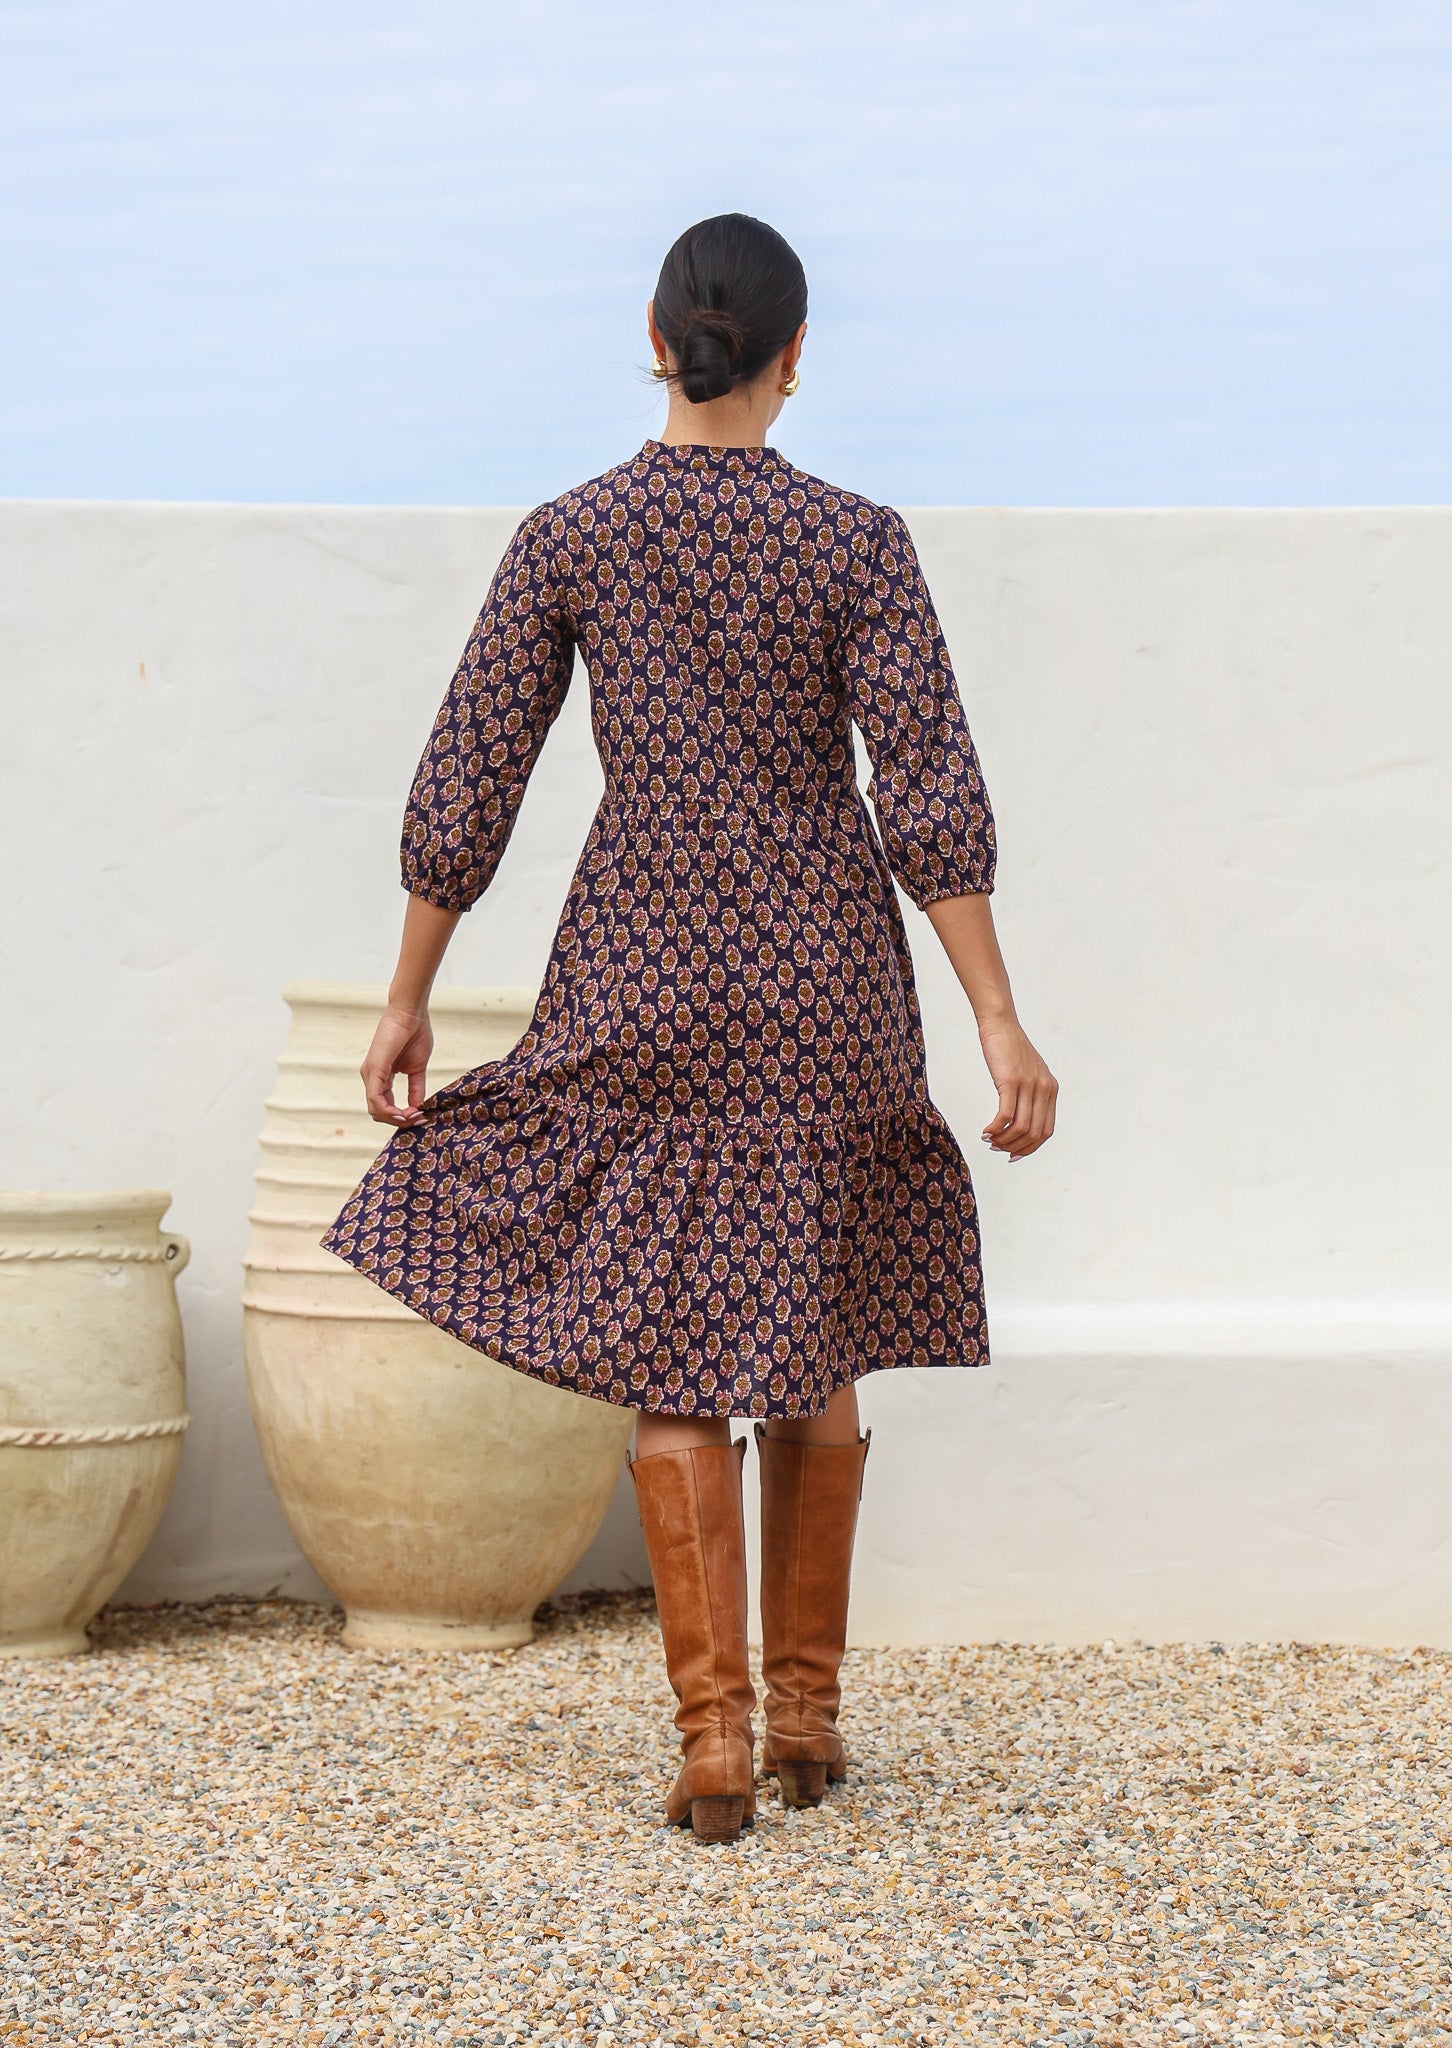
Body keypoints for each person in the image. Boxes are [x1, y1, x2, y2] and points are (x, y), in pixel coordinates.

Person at [321, 213, 1057, 1846]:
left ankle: (713, 1744)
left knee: (670, 1340)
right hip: (823, 973)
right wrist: (997, 1018)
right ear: (794, 360)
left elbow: (472, 775)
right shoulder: (858, 540)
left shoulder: (573, 533)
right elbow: (928, 791)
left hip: (644, 958)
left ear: (656, 339)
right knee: (819, 1328)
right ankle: (808, 1719)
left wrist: (407, 992)